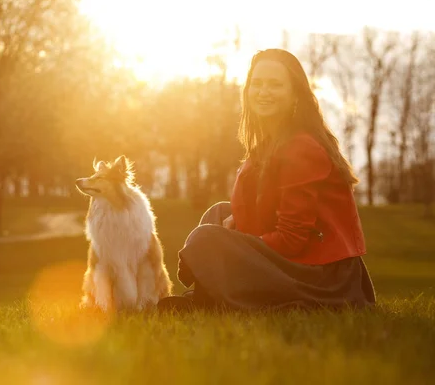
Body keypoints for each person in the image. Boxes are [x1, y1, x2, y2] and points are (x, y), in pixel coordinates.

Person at [158, 48, 376, 312]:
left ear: (295, 94)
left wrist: (229, 239)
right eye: (257, 84)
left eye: (275, 85)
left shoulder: (302, 147)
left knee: (207, 238)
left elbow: (292, 240)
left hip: (322, 278)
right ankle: (208, 297)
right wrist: (238, 224)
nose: (263, 92)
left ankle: (213, 299)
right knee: (218, 213)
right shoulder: (271, 143)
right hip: (301, 261)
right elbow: (267, 207)